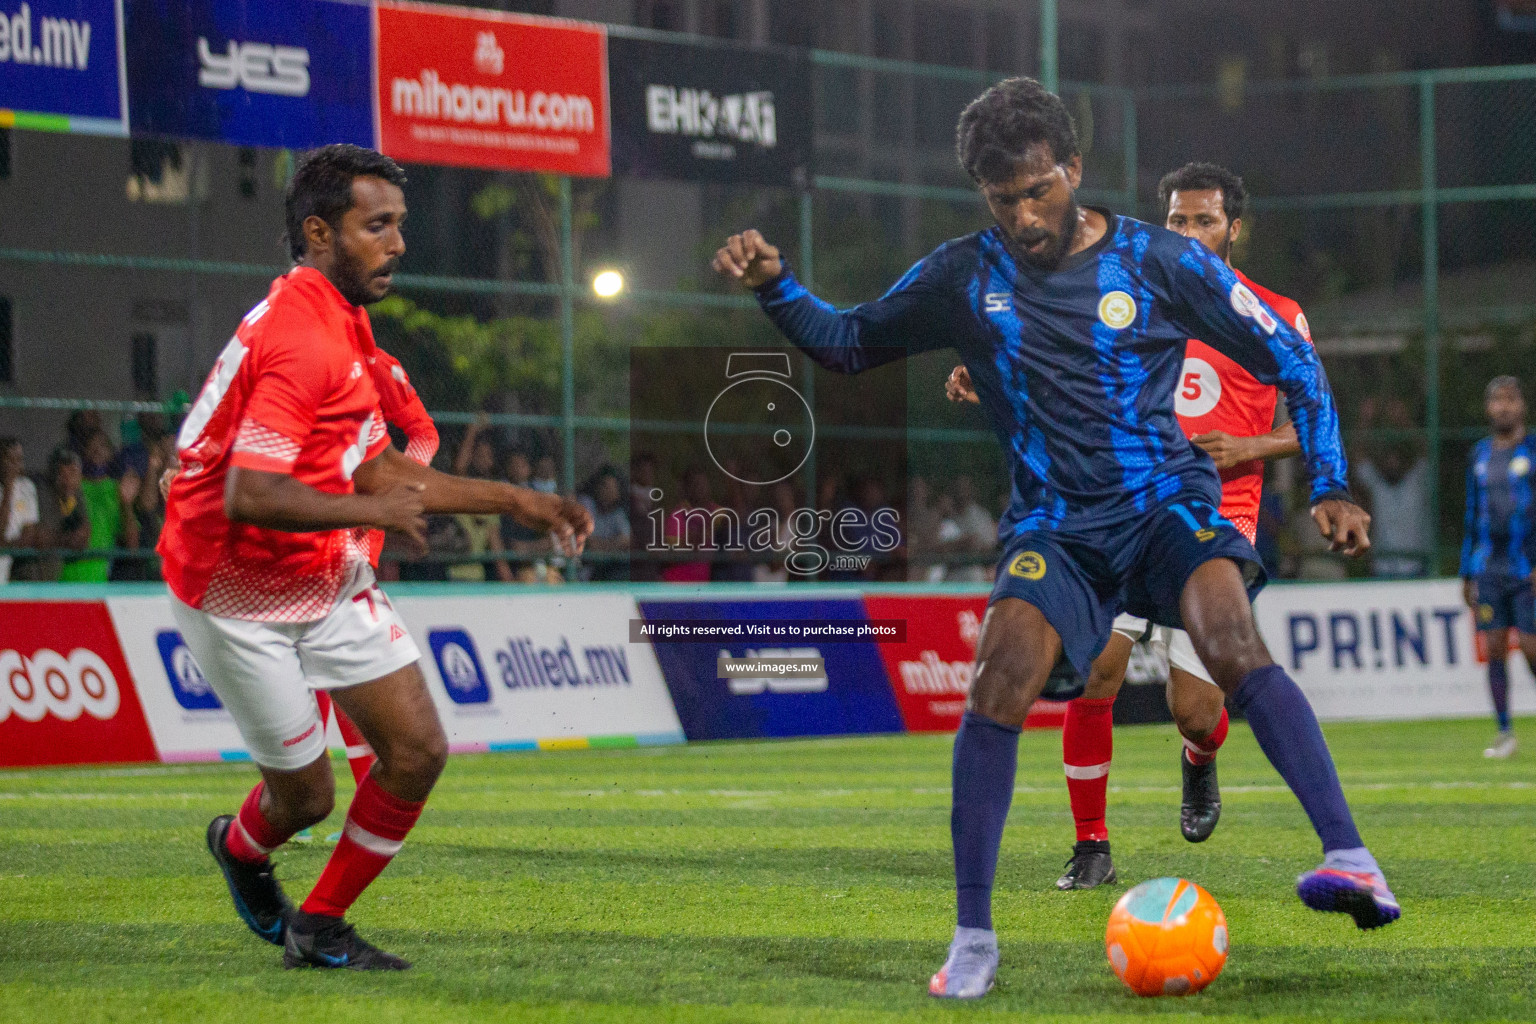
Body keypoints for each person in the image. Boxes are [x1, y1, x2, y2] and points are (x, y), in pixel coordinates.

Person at [713, 77, 1395, 1001]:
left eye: (1040, 191)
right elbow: (847, 342)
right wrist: (775, 288)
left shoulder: (1160, 261)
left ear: (1072, 169)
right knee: (996, 680)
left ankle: (1351, 859)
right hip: (1057, 526)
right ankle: (974, 940)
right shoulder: (964, 273)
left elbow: (1293, 357)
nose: (1026, 216)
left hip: (1164, 502)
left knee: (1232, 645)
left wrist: (1328, 482)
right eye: (1005, 200)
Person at [160, 144, 590, 971]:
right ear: (319, 232)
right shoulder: (301, 339)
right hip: (232, 585)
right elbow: (249, 493)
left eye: (399, 224)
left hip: (319, 573)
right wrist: (374, 511)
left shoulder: (341, 319)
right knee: (307, 796)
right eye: (377, 225)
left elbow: (381, 465)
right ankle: (243, 851)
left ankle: (317, 926)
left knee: (418, 751)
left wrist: (515, 502)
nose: (397, 244)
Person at [947, 161, 1315, 889]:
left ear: (1234, 228)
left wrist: (1248, 447)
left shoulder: (1272, 311)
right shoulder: (1129, 291)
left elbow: (1310, 415)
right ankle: (1091, 846)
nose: (1187, 233)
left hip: (1213, 517)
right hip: (1113, 506)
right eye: (1177, 220)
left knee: (1194, 712)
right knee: (1095, 674)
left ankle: (1200, 758)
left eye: (1203, 221)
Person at [1460, 376, 1536, 759]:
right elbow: (1472, 514)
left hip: (1527, 569)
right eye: (1496, 400)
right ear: (1488, 408)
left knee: (1530, 647)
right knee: (1494, 648)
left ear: (1522, 405)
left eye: (1510, 399)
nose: (1503, 407)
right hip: (1489, 568)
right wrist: (1465, 571)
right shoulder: (1480, 455)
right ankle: (1505, 732)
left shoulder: (1533, 450)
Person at [577, 465, 631, 582]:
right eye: (605, 487)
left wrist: (603, 547)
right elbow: (589, 543)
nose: (609, 492)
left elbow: (626, 540)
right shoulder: (586, 503)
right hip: (583, 568)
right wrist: (614, 545)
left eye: (613, 488)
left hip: (608, 568)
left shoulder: (618, 513)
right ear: (597, 487)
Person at [0, 438, 39, 584]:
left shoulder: (27, 487)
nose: (14, 465)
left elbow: (28, 536)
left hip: (13, 569)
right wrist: (8, 489)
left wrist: (3, 546)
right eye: (9, 459)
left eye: (18, 460)